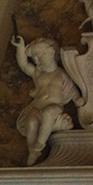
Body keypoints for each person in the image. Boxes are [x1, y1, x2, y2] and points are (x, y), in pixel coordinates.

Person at [12, 36, 79, 165]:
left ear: (51, 52)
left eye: (38, 55)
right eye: (34, 58)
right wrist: (20, 48)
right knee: (31, 121)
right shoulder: (38, 73)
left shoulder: (61, 74)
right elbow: (24, 65)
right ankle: (33, 150)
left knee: (49, 113)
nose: (36, 61)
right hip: (37, 106)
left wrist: (77, 100)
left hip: (55, 106)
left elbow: (72, 90)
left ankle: (40, 144)